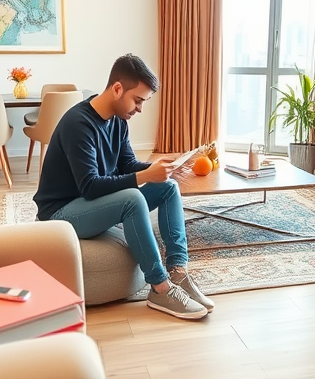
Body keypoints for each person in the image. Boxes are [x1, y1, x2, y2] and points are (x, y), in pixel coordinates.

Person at [33, 54, 213, 320]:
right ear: (118, 89)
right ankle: (160, 288)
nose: (140, 109)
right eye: (138, 100)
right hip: (60, 213)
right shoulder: (78, 124)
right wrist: (145, 176)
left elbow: (127, 164)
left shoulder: (118, 120)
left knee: (169, 187)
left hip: (91, 205)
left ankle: (178, 272)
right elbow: (91, 187)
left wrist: (158, 169)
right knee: (133, 199)